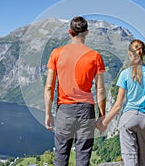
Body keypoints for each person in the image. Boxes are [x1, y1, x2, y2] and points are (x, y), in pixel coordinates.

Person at [44, 16, 106, 166]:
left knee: (61, 154)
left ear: (70, 32)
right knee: (83, 156)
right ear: (87, 33)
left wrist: (48, 113)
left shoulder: (56, 54)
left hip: (65, 110)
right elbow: (100, 89)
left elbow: (49, 87)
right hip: (86, 110)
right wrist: (102, 115)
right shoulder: (95, 56)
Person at [98, 39, 145, 166]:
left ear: (130, 53)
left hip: (128, 118)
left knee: (130, 160)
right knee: (143, 160)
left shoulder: (125, 74)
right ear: (143, 53)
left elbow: (118, 105)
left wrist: (104, 122)